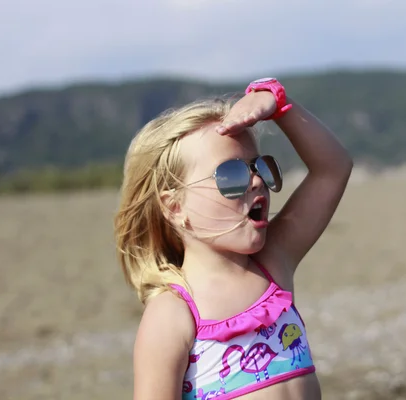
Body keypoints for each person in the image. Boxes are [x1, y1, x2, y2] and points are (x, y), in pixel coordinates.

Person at [114, 77, 353, 400]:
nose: (256, 181)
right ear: (174, 206)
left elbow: (333, 169)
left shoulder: (272, 264)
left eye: (259, 167)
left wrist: (278, 105)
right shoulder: (174, 314)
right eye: (230, 176)